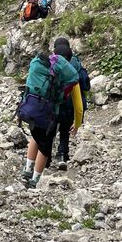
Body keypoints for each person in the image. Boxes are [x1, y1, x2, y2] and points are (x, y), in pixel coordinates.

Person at [20, 49, 83, 188]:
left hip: (33, 109)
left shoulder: (41, 64)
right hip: (51, 114)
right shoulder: (68, 74)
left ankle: (27, 169)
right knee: (45, 146)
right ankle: (35, 180)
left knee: (35, 138)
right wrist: (77, 123)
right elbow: (78, 106)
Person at [53, 37, 90, 170]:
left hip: (55, 104)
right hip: (72, 103)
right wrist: (78, 120)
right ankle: (62, 154)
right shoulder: (76, 64)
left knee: (50, 130)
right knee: (64, 131)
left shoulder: (53, 64)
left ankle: (45, 159)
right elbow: (85, 86)